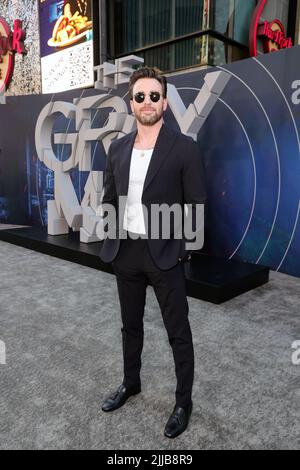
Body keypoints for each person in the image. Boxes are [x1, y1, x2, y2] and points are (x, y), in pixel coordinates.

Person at [99, 66, 206, 438]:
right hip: (125, 253)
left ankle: (183, 402)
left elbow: (196, 204)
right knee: (130, 326)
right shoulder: (117, 148)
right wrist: (112, 241)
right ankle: (131, 383)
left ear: (164, 102)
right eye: (140, 96)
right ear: (131, 103)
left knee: (178, 330)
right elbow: (109, 198)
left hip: (165, 256)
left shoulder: (185, 148)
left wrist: (181, 253)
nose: (147, 102)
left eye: (154, 96)